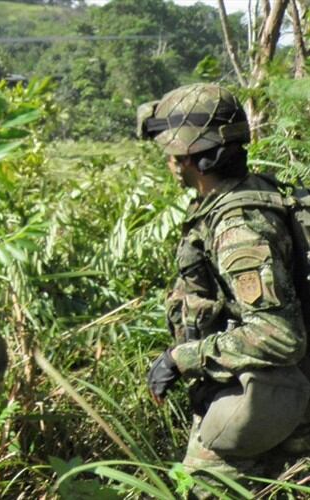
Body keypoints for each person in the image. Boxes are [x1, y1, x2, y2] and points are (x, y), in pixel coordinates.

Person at [138, 83, 310, 494]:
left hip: (267, 399)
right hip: (270, 397)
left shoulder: (238, 227)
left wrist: (183, 357)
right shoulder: (249, 193)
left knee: (204, 488)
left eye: (173, 153)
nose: (169, 162)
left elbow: (279, 336)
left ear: (197, 157)